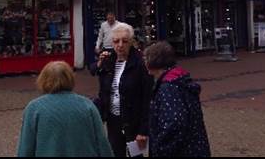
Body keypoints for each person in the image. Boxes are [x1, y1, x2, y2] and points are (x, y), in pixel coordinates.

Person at [17, 61, 112, 157]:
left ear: (43, 80)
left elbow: (26, 147)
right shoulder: (88, 105)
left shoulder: (34, 108)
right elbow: (102, 143)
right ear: (70, 78)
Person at [143, 41, 210, 157]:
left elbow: (174, 122)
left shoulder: (168, 88)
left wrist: (160, 149)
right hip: (195, 148)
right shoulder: (180, 81)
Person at [94, 23, 151, 157]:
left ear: (131, 42)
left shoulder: (140, 63)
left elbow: (147, 99)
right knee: (115, 153)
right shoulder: (109, 59)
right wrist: (99, 64)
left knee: (136, 155)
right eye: (116, 41)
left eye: (124, 41)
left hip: (134, 121)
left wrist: (143, 130)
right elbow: (98, 78)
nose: (120, 45)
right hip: (113, 120)